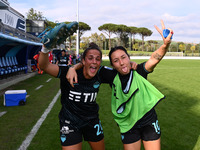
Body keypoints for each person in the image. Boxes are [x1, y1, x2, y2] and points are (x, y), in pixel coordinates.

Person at [67, 20, 173, 150]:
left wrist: (165, 45)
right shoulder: (110, 75)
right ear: (112, 65)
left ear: (129, 58)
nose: (121, 63)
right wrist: (73, 67)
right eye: (116, 61)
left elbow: (154, 59)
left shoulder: (139, 70)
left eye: (123, 57)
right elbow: (90, 65)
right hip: (128, 125)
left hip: (148, 121)